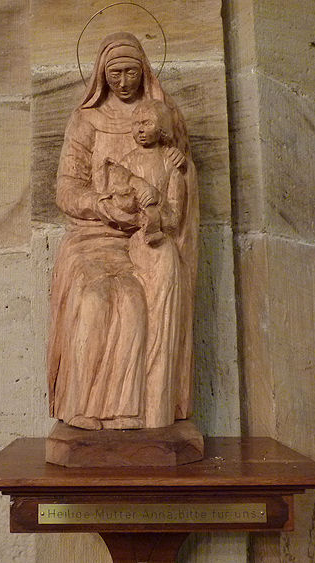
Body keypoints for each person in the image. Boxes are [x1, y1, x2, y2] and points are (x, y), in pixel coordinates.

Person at [47, 32, 199, 430]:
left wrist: (171, 180)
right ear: (101, 73)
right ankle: (85, 408)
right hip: (92, 235)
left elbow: (178, 179)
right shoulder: (85, 120)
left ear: (144, 70)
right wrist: (99, 205)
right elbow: (66, 188)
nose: (123, 80)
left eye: (131, 71)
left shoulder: (163, 115)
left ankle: (133, 411)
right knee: (96, 298)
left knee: (133, 302)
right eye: (114, 72)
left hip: (142, 236)